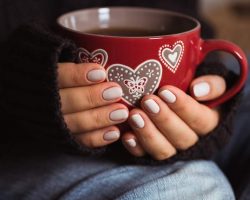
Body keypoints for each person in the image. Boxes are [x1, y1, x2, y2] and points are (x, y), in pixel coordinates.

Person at [0, 0, 244, 199]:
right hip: (17, 140)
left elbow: (179, 12)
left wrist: (199, 83)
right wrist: (22, 83)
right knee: (188, 186)